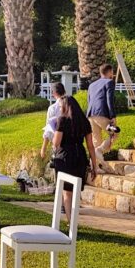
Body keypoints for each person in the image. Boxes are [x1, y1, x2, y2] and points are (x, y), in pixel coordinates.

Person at [50, 95, 98, 223]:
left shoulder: (62, 120)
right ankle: (73, 221)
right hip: (80, 156)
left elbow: (56, 142)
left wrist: (54, 130)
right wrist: (94, 166)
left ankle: (72, 223)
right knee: (75, 191)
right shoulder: (84, 122)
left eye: (61, 107)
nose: (60, 109)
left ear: (65, 107)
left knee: (67, 192)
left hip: (65, 156)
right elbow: (91, 146)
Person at [86, 64, 117, 172]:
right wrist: (113, 116)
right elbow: (110, 100)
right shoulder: (109, 82)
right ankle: (100, 150)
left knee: (96, 140)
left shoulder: (92, 85)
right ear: (109, 72)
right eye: (112, 72)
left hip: (91, 115)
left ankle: (95, 167)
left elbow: (89, 101)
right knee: (115, 132)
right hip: (102, 114)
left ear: (100, 73)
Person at [40, 82, 66, 160]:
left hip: (58, 143)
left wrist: (43, 148)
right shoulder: (71, 105)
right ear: (64, 91)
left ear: (53, 93)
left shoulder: (53, 108)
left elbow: (49, 129)